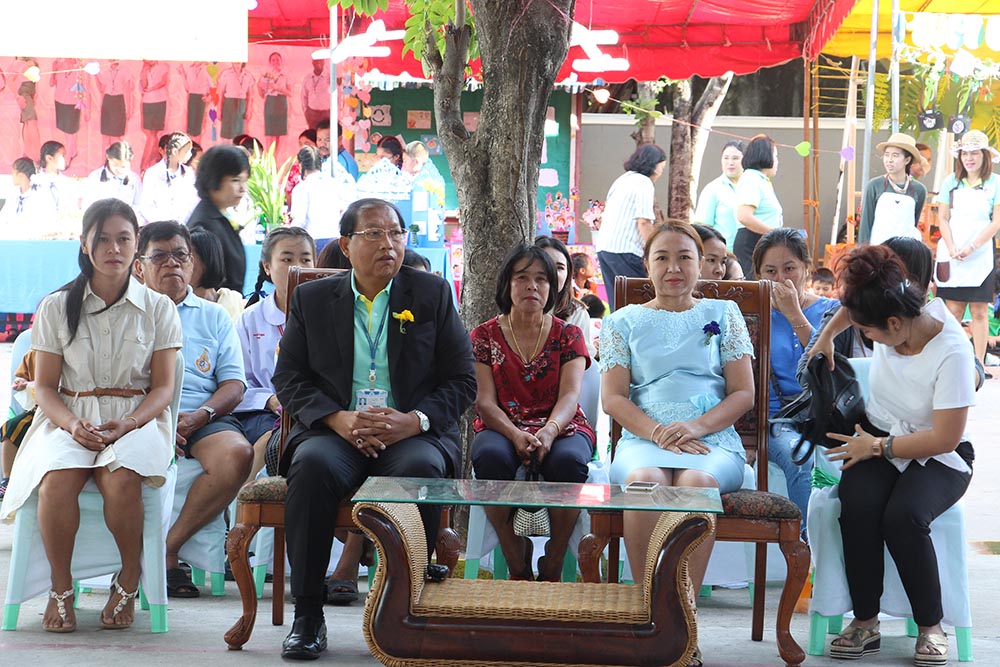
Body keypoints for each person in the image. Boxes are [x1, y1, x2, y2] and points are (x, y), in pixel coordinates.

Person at [272, 198, 476, 660]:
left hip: (408, 434)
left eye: (396, 233)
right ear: (345, 245)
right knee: (311, 466)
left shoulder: (431, 294)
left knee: (420, 469)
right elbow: (289, 379)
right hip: (336, 432)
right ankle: (308, 615)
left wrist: (414, 420)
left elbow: (463, 380)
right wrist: (336, 418)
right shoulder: (313, 299)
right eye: (374, 233)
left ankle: (408, 609)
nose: (389, 244)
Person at [0, 199, 183, 631]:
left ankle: (129, 579)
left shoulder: (159, 308)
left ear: (136, 245)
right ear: (84, 244)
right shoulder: (56, 306)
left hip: (137, 418)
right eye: (102, 239)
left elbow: (163, 388)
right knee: (56, 482)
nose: (113, 249)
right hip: (69, 415)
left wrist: (130, 423)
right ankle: (60, 589)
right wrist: (72, 424)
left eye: (123, 239)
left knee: (121, 479)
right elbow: (45, 387)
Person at [600, 221, 754, 666]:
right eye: (662, 258)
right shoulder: (621, 321)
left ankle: (684, 625)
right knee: (644, 480)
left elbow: (743, 393)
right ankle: (647, 616)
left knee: (695, 482)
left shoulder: (724, 313)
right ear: (646, 265)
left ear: (701, 263)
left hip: (711, 439)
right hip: (643, 436)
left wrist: (698, 426)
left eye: (685, 257)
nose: (674, 268)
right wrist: (656, 431)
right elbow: (613, 398)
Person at [811, 245, 974, 666]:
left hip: (937, 454)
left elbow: (945, 438)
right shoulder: (888, 306)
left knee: (904, 516)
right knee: (857, 506)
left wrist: (876, 447)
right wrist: (825, 337)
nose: (866, 337)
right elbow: (852, 308)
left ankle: (931, 625)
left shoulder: (952, 350)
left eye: (870, 332)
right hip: (877, 434)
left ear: (895, 324)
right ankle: (865, 622)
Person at [134, 221, 253, 598]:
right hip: (139, 416)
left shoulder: (214, 316)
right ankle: (141, 561)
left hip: (201, 417)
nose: (172, 263)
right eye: (160, 256)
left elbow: (234, 384)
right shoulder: (126, 314)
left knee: (238, 454)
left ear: (192, 263)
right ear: (139, 266)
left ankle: (167, 548)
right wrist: (156, 422)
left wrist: (201, 415)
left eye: (180, 255)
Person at [471, 243, 595, 581]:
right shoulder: (483, 336)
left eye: (542, 279)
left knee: (569, 461)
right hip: (501, 426)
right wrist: (515, 434)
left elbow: (570, 396)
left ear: (552, 287)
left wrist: (550, 430)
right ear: (506, 284)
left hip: (562, 425)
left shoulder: (569, 334)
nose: (532, 286)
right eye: (522, 277)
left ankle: (554, 557)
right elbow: (485, 402)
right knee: (489, 458)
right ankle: (514, 552)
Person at [754, 228, 847, 524]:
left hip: (825, 412)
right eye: (770, 271)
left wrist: (794, 314)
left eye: (789, 268)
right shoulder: (751, 314)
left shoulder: (832, 310)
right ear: (758, 275)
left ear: (806, 268)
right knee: (799, 459)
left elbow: (829, 367)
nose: (781, 278)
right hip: (777, 419)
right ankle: (806, 543)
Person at [237, 227, 315, 481]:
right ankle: (249, 503)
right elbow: (239, 381)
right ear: (267, 267)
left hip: (314, 409)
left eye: (305, 259)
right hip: (266, 412)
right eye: (287, 259)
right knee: (271, 439)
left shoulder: (328, 314)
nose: (297, 267)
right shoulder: (251, 318)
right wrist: (269, 400)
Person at [935, 129, 1000, 367]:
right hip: (953, 252)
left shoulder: (996, 182)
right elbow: (943, 218)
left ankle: (979, 364)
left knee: (980, 311)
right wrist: (952, 247)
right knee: (953, 311)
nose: (969, 158)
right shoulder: (950, 181)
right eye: (965, 154)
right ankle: (953, 363)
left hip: (980, 254)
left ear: (985, 155)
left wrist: (972, 247)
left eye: (974, 153)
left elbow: (996, 222)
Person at [594, 144, 667, 310]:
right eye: (661, 168)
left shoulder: (622, 180)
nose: (660, 173)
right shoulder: (644, 183)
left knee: (617, 303)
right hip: (626, 250)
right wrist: (656, 251)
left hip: (605, 248)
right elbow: (644, 222)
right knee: (639, 304)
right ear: (653, 166)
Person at [186, 145, 250, 294]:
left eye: (244, 180)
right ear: (213, 179)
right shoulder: (203, 225)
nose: (243, 188)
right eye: (235, 180)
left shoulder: (218, 216)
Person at [858, 133, 928, 245]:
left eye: (895, 155)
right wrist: (864, 251)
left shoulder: (919, 190)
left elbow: (913, 223)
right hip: (878, 249)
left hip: (906, 250)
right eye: (886, 155)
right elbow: (866, 224)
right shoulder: (874, 185)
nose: (889, 160)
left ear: (907, 160)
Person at [536, 236, 595, 359]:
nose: (553, 273)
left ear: (568, 273)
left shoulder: (577, 312)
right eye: (545, 265)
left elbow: (580, 360)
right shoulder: (513, 308)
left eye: (560, 268)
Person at [734, 134, 783, 276]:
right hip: (751, 242)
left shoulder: (761, 180)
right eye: (775, 156)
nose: (777, 161)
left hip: (761, 241)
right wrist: (774, 233)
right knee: (755, 285)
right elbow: (744, 216)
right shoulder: (751, 179)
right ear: (765, 155)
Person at [289, 145, 344, 245]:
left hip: (313, 240)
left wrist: (287, 235)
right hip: (335, 239)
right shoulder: (334, 183)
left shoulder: (301, 188)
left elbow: (300, 220)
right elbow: (342, 209)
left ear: (300, 165)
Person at [694, 141, 744, 250]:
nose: (730, 162)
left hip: (748, 252)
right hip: (723, 253)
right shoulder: (713, 189)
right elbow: (702, 228)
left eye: (735, 158)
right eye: (726, 158)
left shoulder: (751, 187)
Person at [140, 132, 198, 225]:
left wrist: (183, 222)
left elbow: (194, 201)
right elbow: (146, 205)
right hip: (159, 226)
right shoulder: (152, 173)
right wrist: (164, 223)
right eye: (186, 151)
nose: (190, 155)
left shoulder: (189, 173)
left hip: (184, 225)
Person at [189, 229, 245, 322]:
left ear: (207, 261)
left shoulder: (235, 303)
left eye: (187, 257)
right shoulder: (174, 307)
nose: (179, 265)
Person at [0, 157, 57, 238]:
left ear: (21, 175)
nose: (12, 176)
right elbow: (4, 218)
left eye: (13, 173)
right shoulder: (13, 195)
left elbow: (45, 223)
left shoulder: (40, 195)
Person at [50, 58, 90, 167]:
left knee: (71, 130)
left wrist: (88, 109)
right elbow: (51, 83)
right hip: (59, 100)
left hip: (73, 102)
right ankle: (73, 150)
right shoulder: (60, 66)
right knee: (66, 129)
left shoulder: (81, 69)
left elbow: (86, 89)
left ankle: (68, 156)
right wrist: (54, 69)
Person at [84, 141, 142, 213]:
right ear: (108, 157)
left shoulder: (134, 179)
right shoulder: (95, 177)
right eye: (115, 165)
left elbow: (138, 204)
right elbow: (88, 204)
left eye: (123, 167)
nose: (118, 169)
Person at [139, 60, 170, 172]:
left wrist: (152, 89)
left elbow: (163, 81)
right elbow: (143, 86)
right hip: (147, 101)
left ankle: (145, 163)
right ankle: (156, 158)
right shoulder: (145, 69)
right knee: (151, 133)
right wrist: (144, 71)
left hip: (159, 100)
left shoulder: (163, 66)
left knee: (154, 133)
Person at [95, 60, 132, 148]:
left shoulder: (125, 70)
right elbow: (101, 89)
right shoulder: (104, 71)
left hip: (119, 101)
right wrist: (96, 76)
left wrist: (128, 108)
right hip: (107, 101)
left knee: (116, 136)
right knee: (105, 136)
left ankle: (116, 155)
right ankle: (104, 157)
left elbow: (128, 91)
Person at [259, 52, 291, 152]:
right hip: (270, 102)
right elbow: (261, 93)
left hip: (281, 102)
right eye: (273, 60)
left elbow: (290, 93)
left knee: (279, 133)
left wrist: (278, 88)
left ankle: (276, 157)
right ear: (270, 62)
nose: (275, 62)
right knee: (270, 133)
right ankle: (269, 155)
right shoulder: (266, 75)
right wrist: (261, 86)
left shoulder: (286, 75)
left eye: (277, 59)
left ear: (281, 61)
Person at [34, 140, 75, 213]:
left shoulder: (68, 182)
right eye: (62, 156)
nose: (66, 159)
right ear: (49, 158)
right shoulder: (35, 181)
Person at [218, 62, 254, 141]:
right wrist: (219, 109)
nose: (237, 62)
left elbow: (250, 95)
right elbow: (221, 93)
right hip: (229, 104)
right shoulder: (226, 74)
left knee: (240, 132)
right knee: (227, 132)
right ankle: (226, 148)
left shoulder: (248, 75)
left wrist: (249, 109)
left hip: (242, 105)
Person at [180, 62, 212, 143]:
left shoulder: (208, 68)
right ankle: (191, 146)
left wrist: (209, 97)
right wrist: (182, 74)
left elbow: (214, 85)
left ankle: (198, 145)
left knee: (199, 126)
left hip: (201, 98)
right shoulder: (190, 69)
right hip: (192, 97)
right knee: (191, 126)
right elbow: (187, 88)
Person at [301, 59, 330, 131]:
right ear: (313, 63)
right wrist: (306, 110)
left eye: (320, 60)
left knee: (325, 135)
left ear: (324, 62)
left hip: (326, 114)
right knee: (313, 135)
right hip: (312, 113)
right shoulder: (307, 78)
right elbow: (304, 96)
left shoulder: (329, 77)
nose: (318, 62)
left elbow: (336, 95)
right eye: (316, 61)